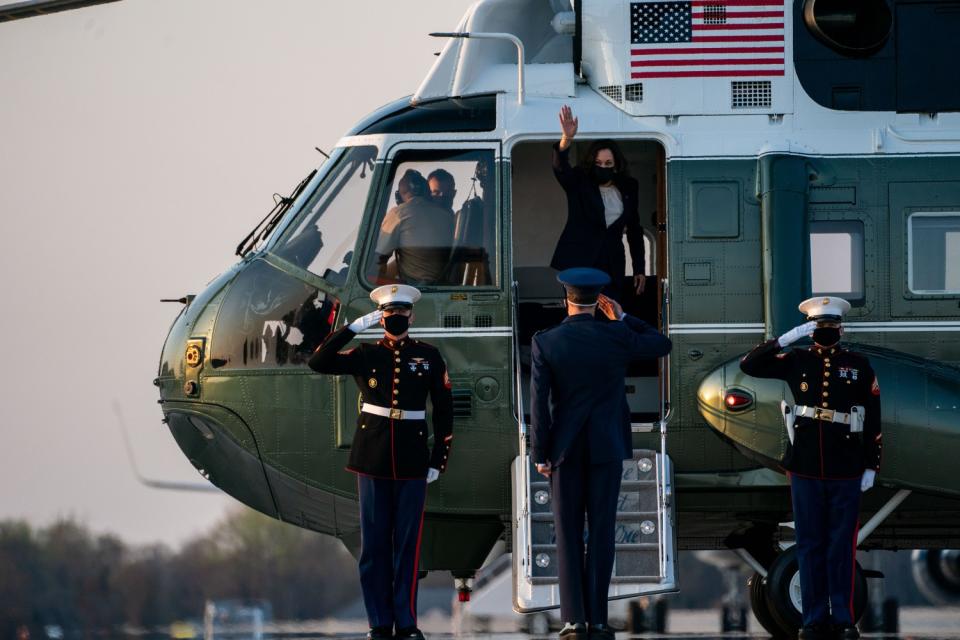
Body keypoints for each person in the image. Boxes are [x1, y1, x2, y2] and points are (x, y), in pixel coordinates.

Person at [530, 268, 671, 640]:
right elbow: (661, 344)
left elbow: (540, 406)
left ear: (567, 299)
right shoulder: (618, 335)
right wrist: (624, 318)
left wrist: (540, 454)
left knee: (568, 534)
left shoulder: (547, 342)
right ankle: (597, 620)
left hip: (565, 450)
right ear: (600, 301)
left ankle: (574, 620)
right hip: (607, 447)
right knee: (603, 533)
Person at [308, 284, 454, 640]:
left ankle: (405, 624)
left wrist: (439, 459)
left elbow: (445, 410)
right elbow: (318, 361)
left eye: (401, 314)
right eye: (389, 315)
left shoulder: (429, 356)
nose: (396, 320)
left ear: (411, 316)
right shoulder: (365, 353)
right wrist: (353, 328)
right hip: (372, 457)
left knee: (407, 546)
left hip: (412, 458)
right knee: (373, 546)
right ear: (382, 317)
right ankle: (378, 624)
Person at [739, 297, 882, 640]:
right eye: (820, 329)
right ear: (811, 331)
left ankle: (844, 619)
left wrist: (871, 464)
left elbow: (873, 415)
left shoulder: (858, 364)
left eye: (830, 329)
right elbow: (750, 365)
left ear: (841, 329)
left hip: (846, 466)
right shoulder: (796, 360)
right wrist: (786, 338)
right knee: (809, 543)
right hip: (805, 466)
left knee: (841, 546)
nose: (826, 335)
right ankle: (813, 619)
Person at [551, 105, 647, 301]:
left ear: (616, 165)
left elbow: (635, 230)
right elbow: (560, 168)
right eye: (599, 164)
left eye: (608, 164)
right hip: (578, 262)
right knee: (580, 317)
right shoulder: (579, 181)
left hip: (611, 264)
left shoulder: (629, 187)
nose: (603, 167)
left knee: (609, 317)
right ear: (592, 163)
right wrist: (566, 140)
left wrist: (639, 268)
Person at [375, 169, 455, 285]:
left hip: (417, 289)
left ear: (399, 196)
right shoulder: (447, 217)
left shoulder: (399, 213)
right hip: (441, 286)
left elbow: (378, 261)